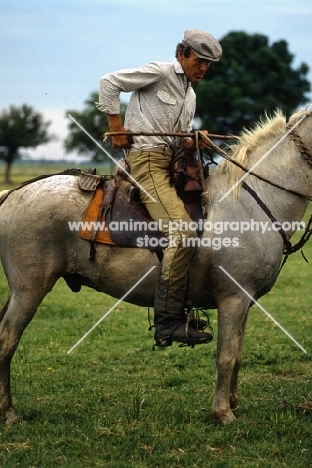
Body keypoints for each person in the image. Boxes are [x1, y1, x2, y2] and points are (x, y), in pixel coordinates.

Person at [96, 29, 222, 347]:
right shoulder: (159, 72)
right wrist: (116, 124)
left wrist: (194, 139)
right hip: (146, 163)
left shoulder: (190, 95)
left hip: (171, 164)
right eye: (200, 60)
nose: (204, 68)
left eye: (209, 63)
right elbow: (109, 82)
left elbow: (178, 138)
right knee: (183, 233)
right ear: (182, 53)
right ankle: (168, 322)